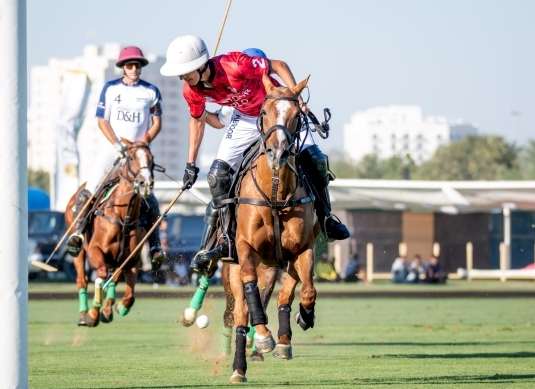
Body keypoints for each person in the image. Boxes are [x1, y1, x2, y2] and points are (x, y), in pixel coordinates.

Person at [159, 35, 350, 271]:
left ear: (200, 65)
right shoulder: (191, 90)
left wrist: (294, 97)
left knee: (317, 162)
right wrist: (190, 164)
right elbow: (197, 121)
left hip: (277, 112)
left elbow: (279, 66)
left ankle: (327, 219)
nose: (182, 78)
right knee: (217, 177)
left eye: (185, 72)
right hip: (246, 118)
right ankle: (227, 239)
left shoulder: (236, 64)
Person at [66, 46, 166, 269]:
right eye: (130, 65)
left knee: (150, 199)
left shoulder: (151, 91)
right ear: (123, 67)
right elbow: (102, 121)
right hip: (113, 149)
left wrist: (143, 143)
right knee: (90, 189)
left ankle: (156, 247)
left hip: (138, 152)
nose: (134, 69)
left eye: (137, 65)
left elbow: (157, 123)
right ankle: (78, 234)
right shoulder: (110, 88)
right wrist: (118, 144)